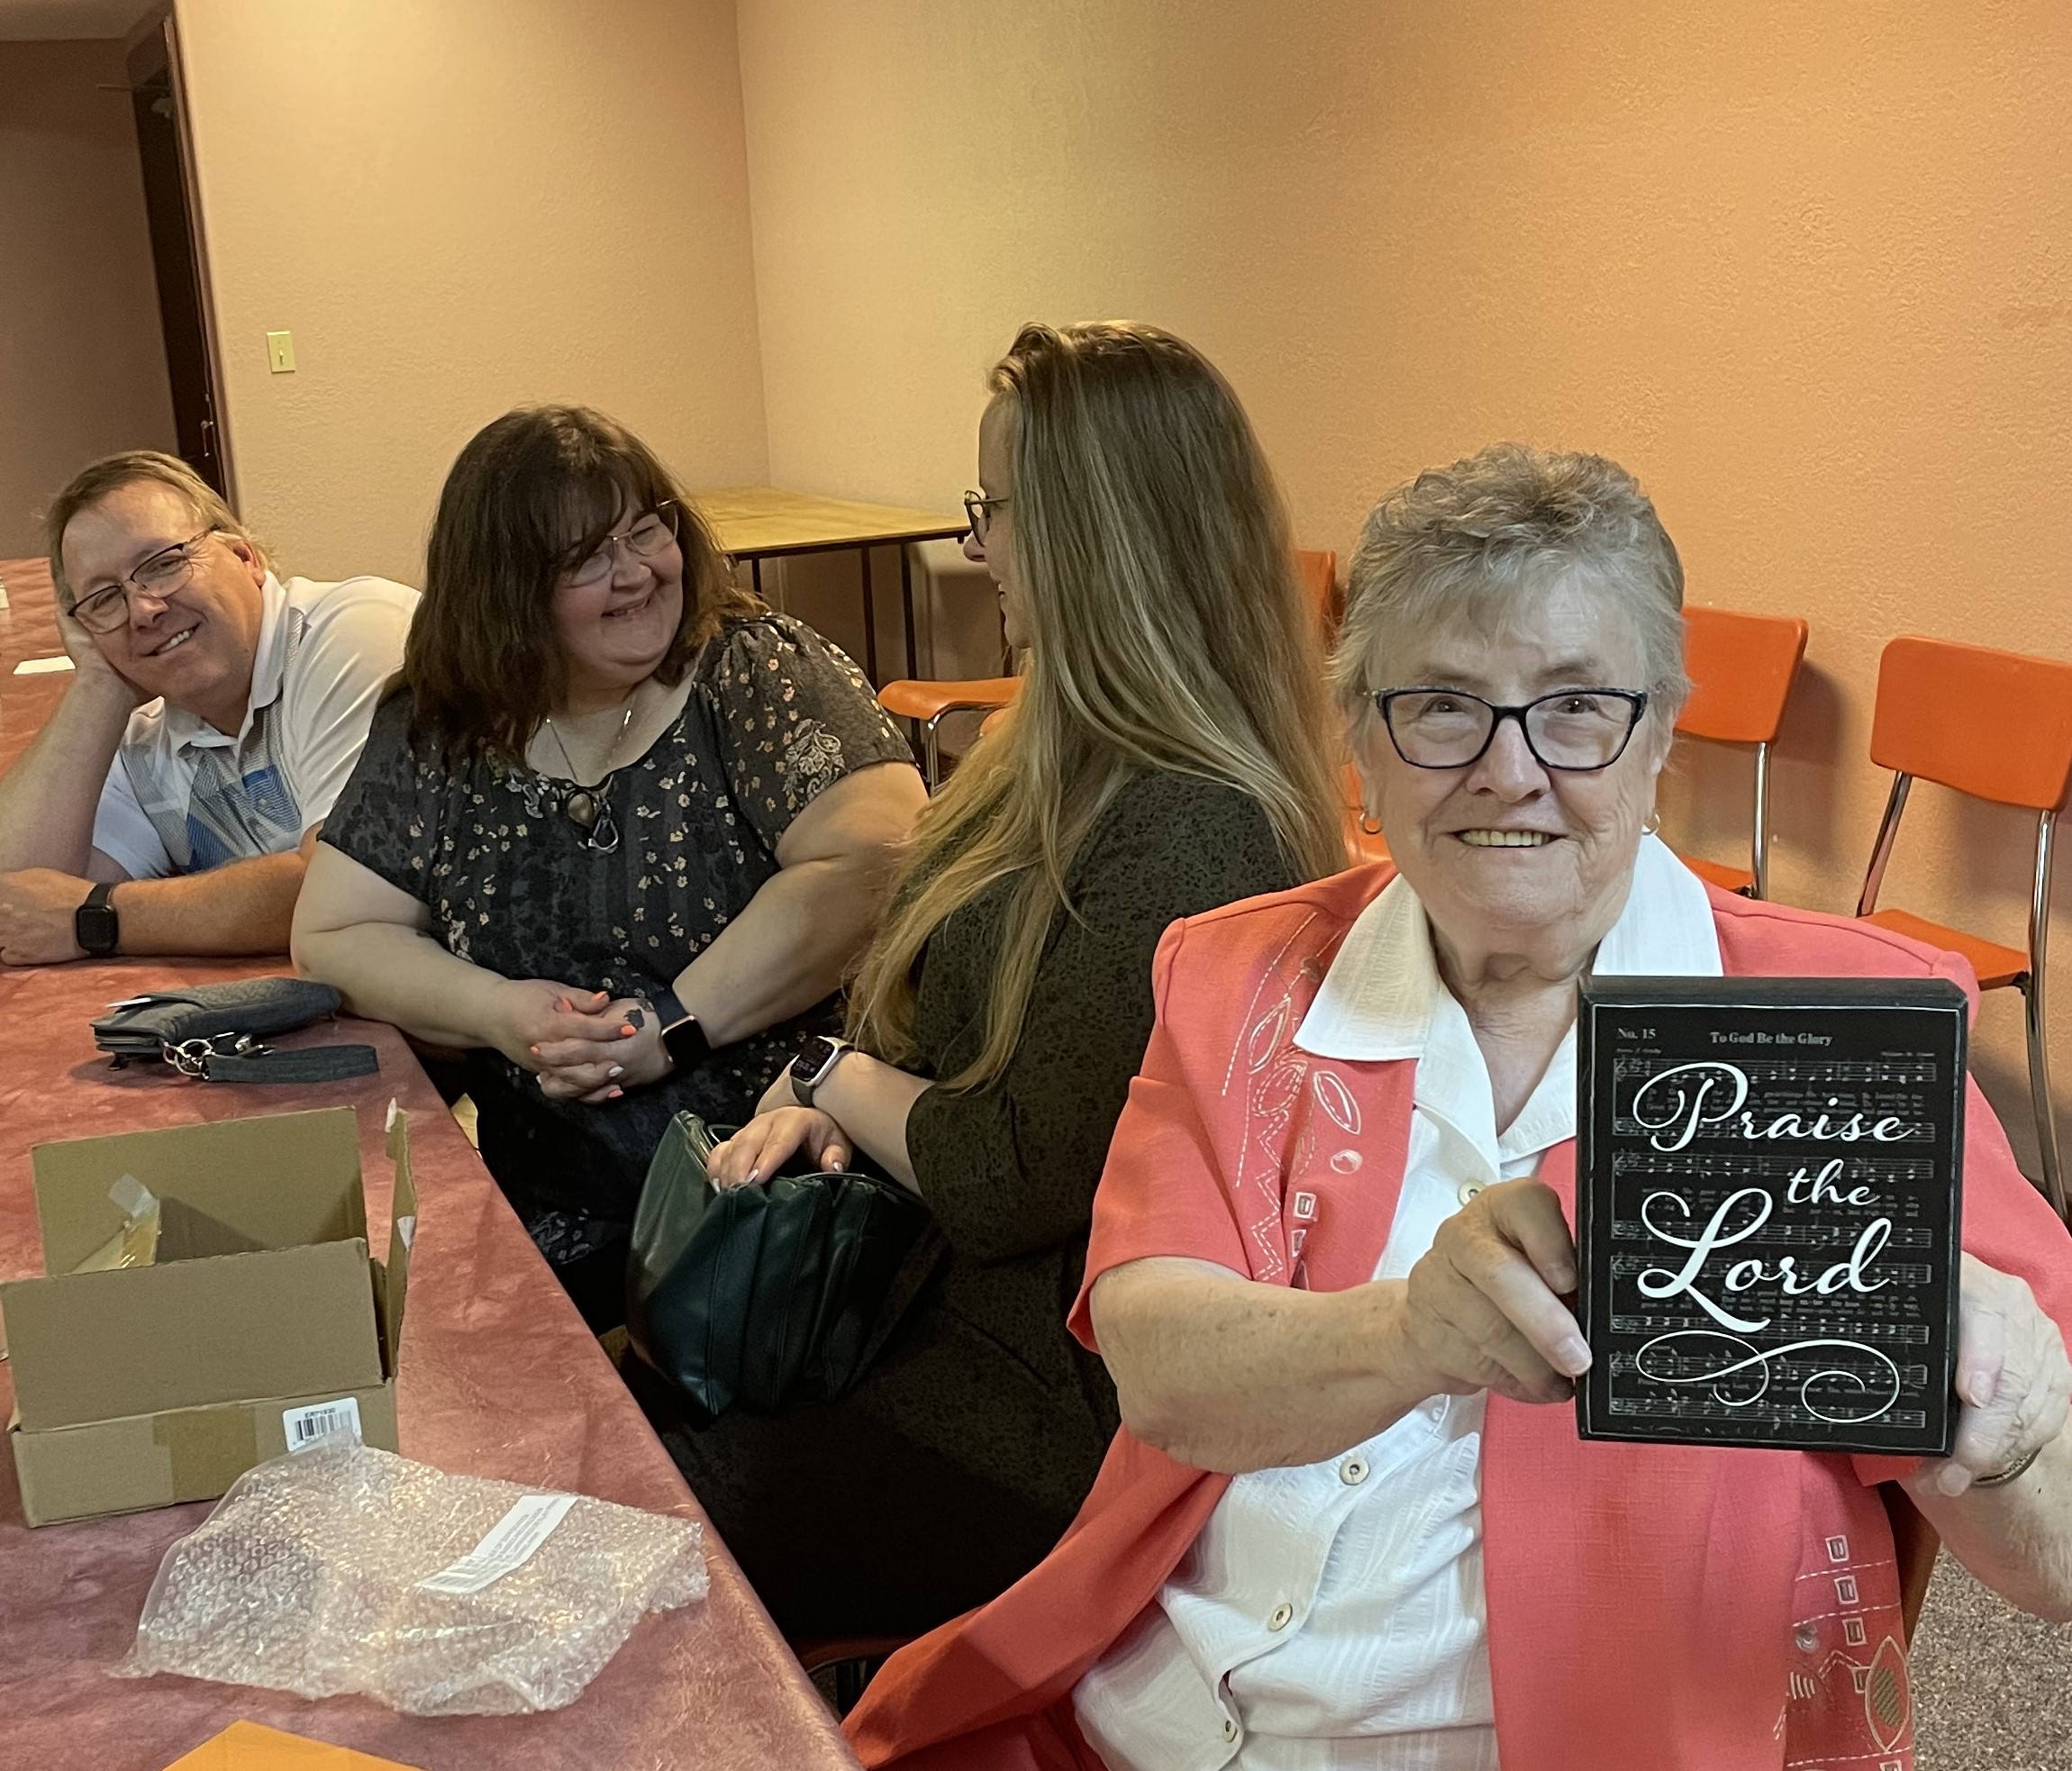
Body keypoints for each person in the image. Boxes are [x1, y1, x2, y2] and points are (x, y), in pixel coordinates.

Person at [844, 445, 2072, 1771]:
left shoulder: (1847, 1028)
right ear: (1362, 739)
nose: (1509, 769)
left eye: (1577, 706)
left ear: (1661, 730)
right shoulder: (1243, 974)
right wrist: (1410, 1331)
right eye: (1440, 706)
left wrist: (2004, 1440)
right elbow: (1159, 1366)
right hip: (1143, 1712)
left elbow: (2056, 1551)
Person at [646, 322, 1349, 1640]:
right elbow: (917, 1007)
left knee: (644, 1528)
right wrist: (836, 1097)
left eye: (993, 511)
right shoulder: (1058, 753)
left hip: (1044, 1417)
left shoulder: (1194, 827)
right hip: (943, 1320)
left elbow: (1010, 1173)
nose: (978, 547)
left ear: (1090, 535)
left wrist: (831, 1081)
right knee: (622, 1413)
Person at [291, 404, 925, 1329]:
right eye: (587, 559)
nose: (636, 575)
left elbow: (874, 860)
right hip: (545, 1209)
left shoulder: (752, 673)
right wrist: (508, 1016)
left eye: (647, 530)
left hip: (773, 1200)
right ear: (505, 592)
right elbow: (336, 932)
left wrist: (667, 1023)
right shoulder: (444, 722)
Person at [0, 451, 417, 965]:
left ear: (246, 558)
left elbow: (347, 887)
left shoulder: (357, 634)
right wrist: (97, 686)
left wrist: (99, 918)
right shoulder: (145, 737)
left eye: (164, 564)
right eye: (105, 599)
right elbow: (14, 904)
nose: (144, 610)